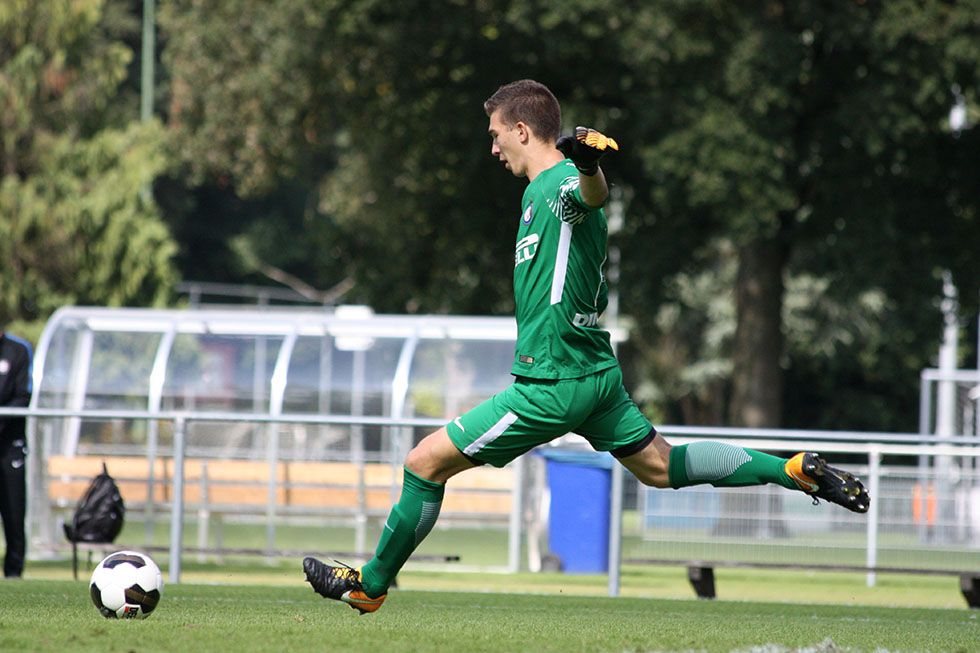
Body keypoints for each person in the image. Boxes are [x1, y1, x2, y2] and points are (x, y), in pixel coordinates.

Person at [303, 79, 869, 613]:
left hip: (554, 381)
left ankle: (371, 587)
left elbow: (590, 194)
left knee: (423, 463)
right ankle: (790, 469)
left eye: (497, 135)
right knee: (660, 466)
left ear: (522, 130)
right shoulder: (536, 195)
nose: (494, 149)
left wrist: (589, 164)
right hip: (595, 375)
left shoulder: (556, 185)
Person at [0, 329, 33, 578]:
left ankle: (14, 575)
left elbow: (23, 396)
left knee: (13, 515)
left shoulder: (18, 350)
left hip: (10, 446)